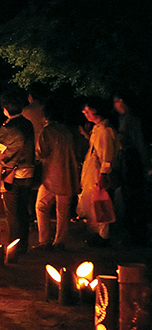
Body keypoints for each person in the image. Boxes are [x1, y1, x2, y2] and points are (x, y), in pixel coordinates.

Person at [0, 91, 35, 254]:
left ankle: (13, 247)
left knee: (13, 213)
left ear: (5, 108)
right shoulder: (27, 124)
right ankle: (23, 244)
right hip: (29, 172)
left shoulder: (9, 128)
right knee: (23, 210)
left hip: (12, 174)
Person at [35, 106, 80, 251]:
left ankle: (44, 240)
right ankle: (60, 241)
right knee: (63, 210)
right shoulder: (67, 131)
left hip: (51, 174)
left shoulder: (47, 131)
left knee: (41, 206)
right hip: (68, 173)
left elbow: (40, 153)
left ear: (45, 117)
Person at [76, 99, 118, 244]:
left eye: (88, 110)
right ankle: (96, 233)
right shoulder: (97, 129)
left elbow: (107, 156)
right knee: (92, 203)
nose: (85, 113)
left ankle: (103, 236)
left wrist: (103, 175)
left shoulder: (106, 131)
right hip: (92, 171)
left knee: (100, 204)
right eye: (84, 111)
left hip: (97, 173)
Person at [112, 94, 148, 246]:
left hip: (131, 163)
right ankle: (133, 235)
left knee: (131, 199)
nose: (114, 105)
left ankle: (135, 236)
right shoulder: (127, 119)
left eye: (116, 102)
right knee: (130, 199)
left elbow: (138, 142)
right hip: (129, 162)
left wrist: (144, 163)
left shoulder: (130, 120)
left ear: (122, 102)